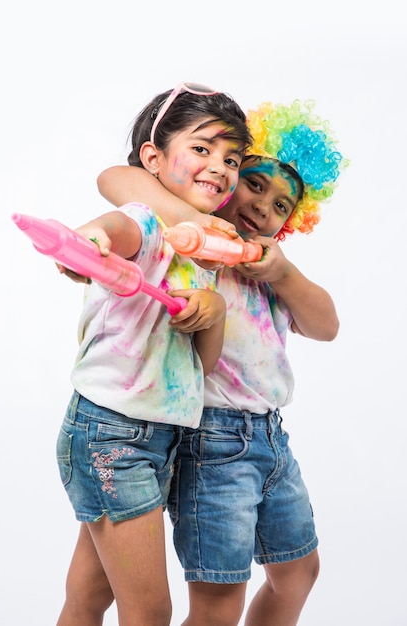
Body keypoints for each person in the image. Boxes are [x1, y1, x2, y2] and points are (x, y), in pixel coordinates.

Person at [61, 98, 347, 625]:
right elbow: (118, 181)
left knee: (297, 572)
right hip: (199, 438)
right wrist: (202, 224)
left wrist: (281, 272)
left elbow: (327, 324)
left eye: (283, 205)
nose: (263, 206)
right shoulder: (186, 241)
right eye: (255, 184)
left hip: (247, 435)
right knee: (168, 600)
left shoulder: (263, 267)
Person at [55, 83, 252, 626]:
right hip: (111, 433)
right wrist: (91, 239)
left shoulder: (208, 248)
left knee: (90, 599)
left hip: (160, 434)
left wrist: (211, 311)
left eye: (231, 158)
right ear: (153, 159)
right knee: (150, 611)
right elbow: (117, 227)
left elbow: (200, 368)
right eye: (203, 149)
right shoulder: (149, 221)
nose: (220, 166)